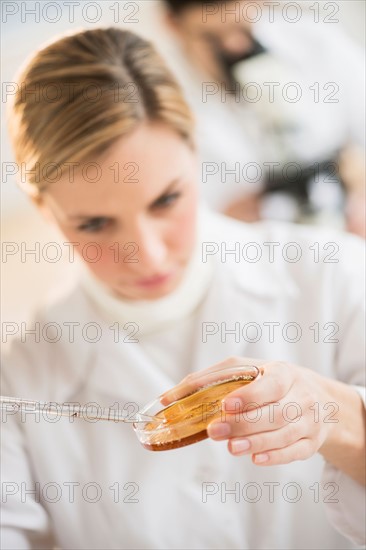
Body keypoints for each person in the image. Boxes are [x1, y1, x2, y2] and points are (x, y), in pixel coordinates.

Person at [1, 27, 365, 550]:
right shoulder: (19, 380)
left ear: (195, 152)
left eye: (166, 200)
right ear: (44, 210)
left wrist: (340, 417)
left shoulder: (334, 274)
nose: (146, 255)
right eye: (95, 225)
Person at [161, 0, 366, 236]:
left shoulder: (316, 41)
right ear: (172, 25)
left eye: (241, 27)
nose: (233, 45)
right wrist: (220, 221)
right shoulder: (159, 94)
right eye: (211, 37)